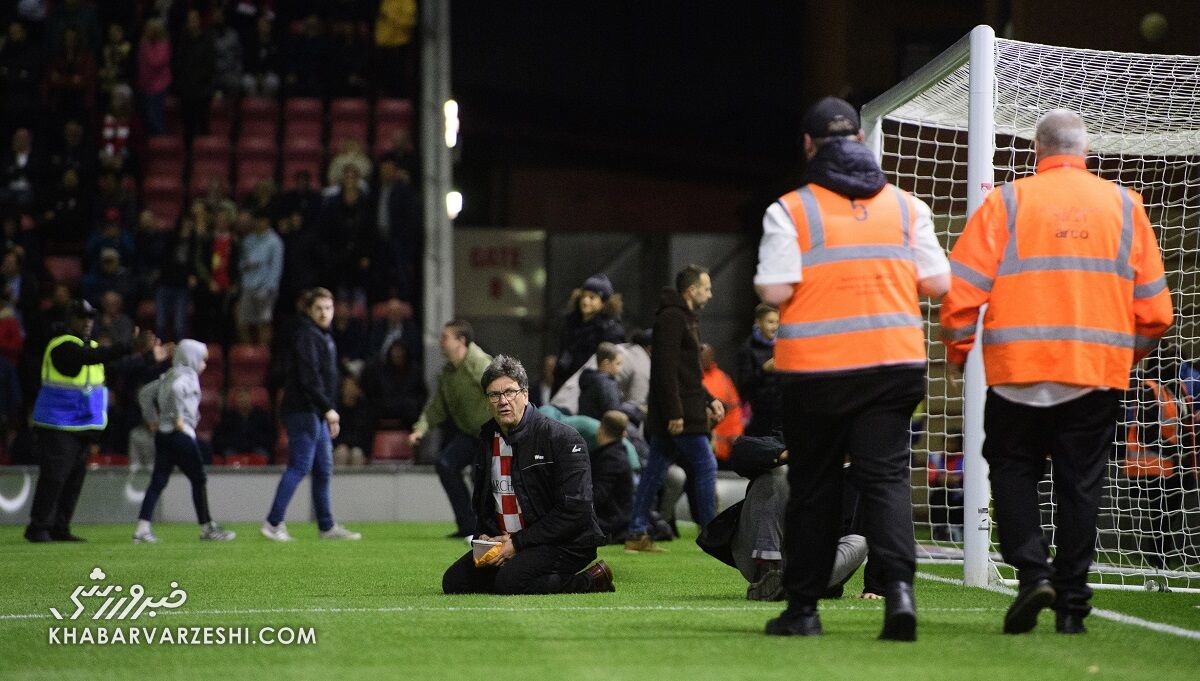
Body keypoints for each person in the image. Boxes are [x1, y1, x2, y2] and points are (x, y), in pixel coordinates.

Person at [939, 109, 1174, 635]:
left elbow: (962, 290)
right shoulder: (1124, 204)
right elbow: (1157, 311)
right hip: (1094, 373)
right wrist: (1125, 357)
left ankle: (1032, 575)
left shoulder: (1007, 201)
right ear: (1085, 150)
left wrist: (957, 350)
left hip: (1016, 373)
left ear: (1037, 149)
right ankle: (1071, 605)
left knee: (1012, 471)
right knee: (1080, 485)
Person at [754, 97, 950, 639]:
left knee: (815, 487)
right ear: (861, 140)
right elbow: (938, 282)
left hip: (818, 371)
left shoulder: (791, 209)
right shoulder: (908, 207)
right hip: (893, 364)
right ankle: (899, 594)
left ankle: (804, 610)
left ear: (808, 146)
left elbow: (773, 290)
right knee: (886, 480)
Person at [441, 355, 615, 595]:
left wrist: (518, 543)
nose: (503, 401)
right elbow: (484, 500)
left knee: (509, 582)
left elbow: (576, 511)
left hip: (565, 543)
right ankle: (521, 571)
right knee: (454, 582)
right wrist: (486, 535)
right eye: (494, 395)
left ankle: (591, 580)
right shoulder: (486, 440)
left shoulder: (563, 438)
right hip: (511, 541)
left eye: (509, 392)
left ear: (525, 394)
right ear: (487, 401)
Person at [25, 300, 169, 542]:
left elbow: (117, 366)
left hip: (82, 424)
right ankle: (38, 527)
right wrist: (129, 346)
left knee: (73, 478)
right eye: (82, 317)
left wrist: (148, 357)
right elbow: (94, 356)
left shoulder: (89, 347)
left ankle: (60, 527)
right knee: (55, 477)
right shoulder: (62, 345)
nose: (88, 322)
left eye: (91, 317)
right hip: (58, 422)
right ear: (70, 319)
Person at [624, 264, 725, 552]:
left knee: (654, 471)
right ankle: (713, 536)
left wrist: (709, 399)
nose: (710, 294)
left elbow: (685, 374)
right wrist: (675, 413)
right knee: (706, 465)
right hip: (681, 416)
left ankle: (636, 532)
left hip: (681, 411)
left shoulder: (682, 317)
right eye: (706, 288)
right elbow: (664, 370)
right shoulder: (672, 318)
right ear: (692, 291)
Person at [697, 433, 868, 602]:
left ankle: (791, 585)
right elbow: (742, 449)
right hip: (762, 552)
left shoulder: (864, 482)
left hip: (813, 563)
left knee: (860, 542)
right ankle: (768, 571)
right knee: (779, 470)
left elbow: (878, 531)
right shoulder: (801, 436)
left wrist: (875, 587)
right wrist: (783, 454)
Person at [262, 287, 362, 542]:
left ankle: (326, 526)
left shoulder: (320, 335)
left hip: (315, 411)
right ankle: (273, 523)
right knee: (300, 466)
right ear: (308, 310)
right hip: (303, 410)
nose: (324, 313)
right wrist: (329, 409)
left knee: (323, 468)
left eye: (328, 308)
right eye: (318, 308)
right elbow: (309, 378)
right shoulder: (307, 335)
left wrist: (326, 409)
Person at [134, 340, 235, 543]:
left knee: (158, 481)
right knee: (199, 479)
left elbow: (145, 393)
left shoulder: (169, 375)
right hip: (181, 435)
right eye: (201, 360)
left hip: (163, 435)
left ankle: (142, 529)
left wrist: (152, 419)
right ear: (191, 358)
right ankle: (207, 527)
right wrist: (177, 416)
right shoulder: (186, 377)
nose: (203, 365)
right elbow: (177, 390)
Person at [410, 320, 493, 537]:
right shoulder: (448, 372)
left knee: (479, 476)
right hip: (470, 433)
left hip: (491, 434)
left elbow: (500, 391)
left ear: (461, 341)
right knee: (445, 464)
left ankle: (486, 529)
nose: (440, 342)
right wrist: (420, 429)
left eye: (445, 337)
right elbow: (436, 407)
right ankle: (467, 526)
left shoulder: (480, 364)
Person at [553, 273, 626, 393]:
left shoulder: (611, 331)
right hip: (563, 385)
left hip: (591, 390)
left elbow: (613, 366)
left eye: (592, 297)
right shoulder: (570, 324)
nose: (585, 301)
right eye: (583, 296)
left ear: (604, 302)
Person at [736, 303, 783, 436]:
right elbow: (744, 385)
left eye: (777, 322)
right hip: (759, 414)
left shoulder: (783, 345)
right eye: (770, 322)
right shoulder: (747, 349)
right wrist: (764, 370)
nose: (775, 326)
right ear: (758, 322)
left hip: (782, 411)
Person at [591, 410, 634, 543]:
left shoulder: (610, 458)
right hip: (618, 520)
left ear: (601, 429)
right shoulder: (616, 454)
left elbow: (598, 495)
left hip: (610, 523)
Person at [700, 343, 744, 465]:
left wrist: (736, 435)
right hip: (701, 442)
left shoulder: (723, 378)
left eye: (708, 355)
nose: (706, 359)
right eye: (702, 356)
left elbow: (735, 409)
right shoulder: (692, 379)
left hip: (724, 449)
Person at [577, 342, 624, 420]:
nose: (621, 368)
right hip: (600, 426)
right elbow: (614, 414)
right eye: (618, 364)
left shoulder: (589, 378)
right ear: (606, 363)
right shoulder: (607, 385)